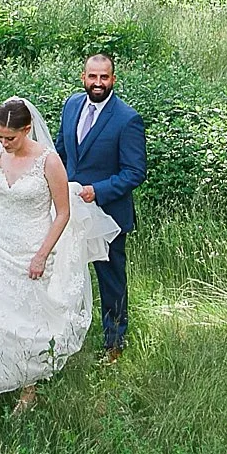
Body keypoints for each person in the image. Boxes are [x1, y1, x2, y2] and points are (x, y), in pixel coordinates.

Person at [0, 96, 120, 411]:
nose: (3, 142)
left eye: (10, 137)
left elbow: (63, 213)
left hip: (34, 247)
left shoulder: (48, 161)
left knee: (25, 322)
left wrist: (42, 255)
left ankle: (28, 387)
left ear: (27, 129)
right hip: (1, 243)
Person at [58, 53, 146, 363]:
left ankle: (114, 342)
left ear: (113, 80)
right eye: (92, 77)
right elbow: (61, 154)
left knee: (110, 279)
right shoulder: (71, 106)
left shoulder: (127, 119)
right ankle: (63, 339)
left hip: (108, 214)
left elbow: (135, 172)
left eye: (104, 77)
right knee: (66, 274)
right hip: (69, 212)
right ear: (83, 77)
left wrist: (98, 191)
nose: (98, 83)